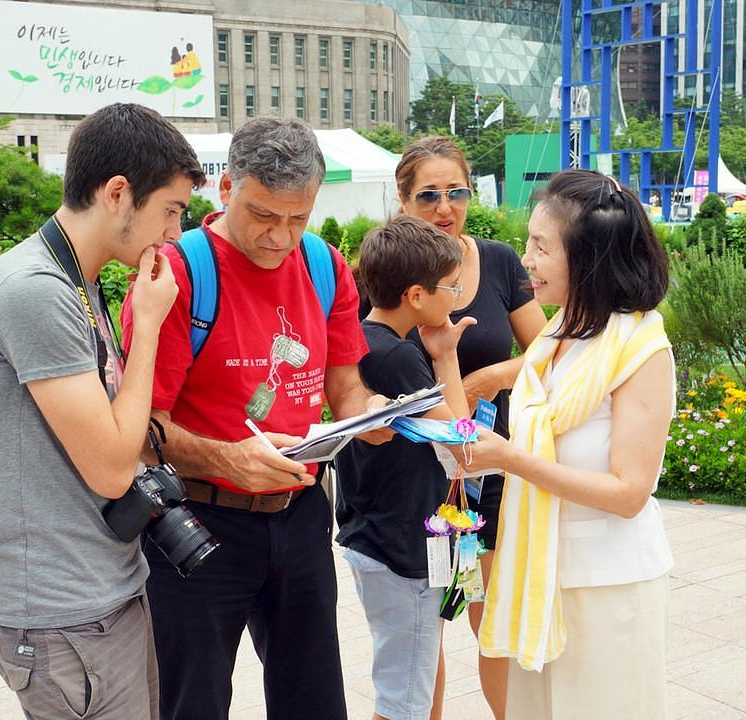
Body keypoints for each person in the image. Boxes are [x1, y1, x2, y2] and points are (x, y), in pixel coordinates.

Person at [119, 114, 385, 720]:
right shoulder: (177, 273)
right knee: (193, 701)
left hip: (299, 513)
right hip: (197, 519)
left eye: (298, 218)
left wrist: (368, 416)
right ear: (225, 189)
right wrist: (228, 458)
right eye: (263, 216)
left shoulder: (323, 265)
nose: (280, 238)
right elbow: (143, 426)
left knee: (314, 698)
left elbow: (345, 384)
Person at [0, 102, 205, 720]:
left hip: (102, 592)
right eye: (170, 211)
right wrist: (147, 325)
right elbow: (113, 470)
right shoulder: (36, 290)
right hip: (65, 613)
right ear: (118, 193)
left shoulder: (79, 281)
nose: (175, 234)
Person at [459, 169, 675, 719]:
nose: (525, 259)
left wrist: (511, 459)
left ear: (588, 258)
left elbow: (629, 493)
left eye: (540, 246)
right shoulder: (558, 336)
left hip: (607, 586)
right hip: (542, 576)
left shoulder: (640, 348)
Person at [394, 135, 545, 719]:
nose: (444, 207)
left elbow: (547, 351)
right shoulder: (385, 271)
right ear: (404, 200)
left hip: (490, 470)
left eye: (456, 192)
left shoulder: (500, 261)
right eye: (428, 194)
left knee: (493, 617)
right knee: (423, 630)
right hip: (416, 473)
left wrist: (488, 380)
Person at [335, 215, 474, 720]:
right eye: (450, 286)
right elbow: (463, 441)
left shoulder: (366, 340)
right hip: (401, 548)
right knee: (404, 701)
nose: (456, 295)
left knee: (401, 684)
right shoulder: (396, 357)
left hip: (370, 532)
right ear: (416, 294)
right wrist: (447, 358)